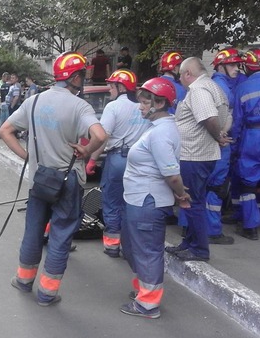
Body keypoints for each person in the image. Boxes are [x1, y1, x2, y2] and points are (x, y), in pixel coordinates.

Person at [0, 52, 106, 306]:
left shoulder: (33, 101)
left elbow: (4, 131)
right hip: (69, 180)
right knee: (60, 235)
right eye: (83, 75)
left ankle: (24, 280)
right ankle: (47, 293)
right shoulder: (80, 106)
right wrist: (87, 151)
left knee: (34, 230)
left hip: (40, 178)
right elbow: (101, 136)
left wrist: (28, 156)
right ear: (76, 78)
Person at [119, 77, 190, 319]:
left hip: (148, 202)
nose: (140, 106)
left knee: (148, 251)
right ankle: (144, 292)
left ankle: (148, 304)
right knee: (134, 247)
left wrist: (181, 194)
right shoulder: (156, 129)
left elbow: (171, 174)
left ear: (159, 103)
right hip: (140, 199)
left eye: (144, 102)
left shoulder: (161, 133)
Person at [166, 57, 229, 261]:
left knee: (192, 202)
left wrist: (217, 136)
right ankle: (189, 243)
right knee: (193, 201)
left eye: (181, 75)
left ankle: (199, 249)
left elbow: (210, 118)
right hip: (200, 154)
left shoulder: (199, 90)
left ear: (187, 74)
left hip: (194, 155)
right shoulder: (213, 86)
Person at [86, 70, 150, 258]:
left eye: (112, 86)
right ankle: (129, 243)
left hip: (118, 159)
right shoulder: (143, 107)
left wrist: (91, 159)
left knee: (112, 201)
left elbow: (102, 137)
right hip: (140, 160)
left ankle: (113, 244)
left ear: (120, 87)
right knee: (132, 201)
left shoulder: (113, 107)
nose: (110, 90)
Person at [203, 48, 243, 244]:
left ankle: (197, 228)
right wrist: (221, 135)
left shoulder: (220, 85)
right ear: (221, 66)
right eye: (232, 64)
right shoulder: (222, 88)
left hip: (217, 142)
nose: (237, 68)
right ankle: (212, 230)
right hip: (220, 143)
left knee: (209, 185)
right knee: (216, 187)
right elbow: (219, 118)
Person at [230, 48, 260, 240]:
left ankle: (250, 227)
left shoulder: (243, 88)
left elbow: (237, 123)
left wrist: (233, 147)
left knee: (248, 182)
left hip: (252, 137)